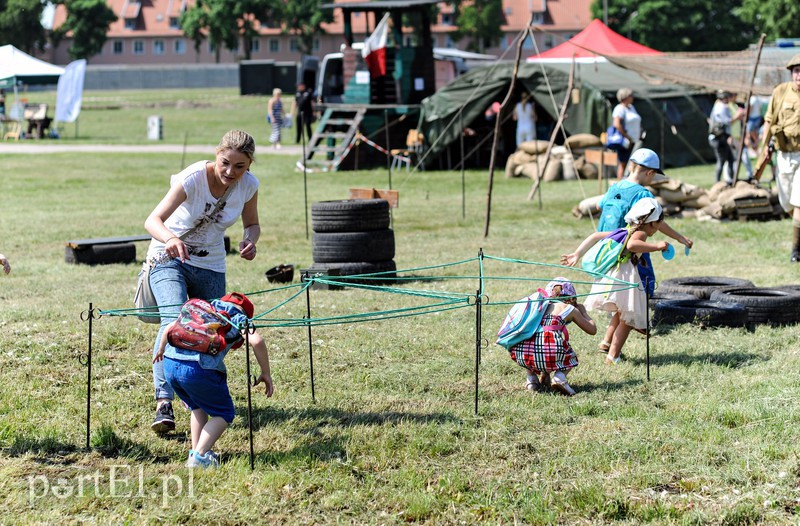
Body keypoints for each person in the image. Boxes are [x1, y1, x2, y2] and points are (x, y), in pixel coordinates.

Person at [144, 129, 261, 434]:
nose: (230, 172)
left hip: (211, 264)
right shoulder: (194, 176)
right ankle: (164, 402)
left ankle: (195, 396)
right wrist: (170, 239)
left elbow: (253, 223)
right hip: (168, 257)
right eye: (225, 163)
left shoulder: (248, 186)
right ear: (216, 154)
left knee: (210, 330)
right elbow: (152, 220)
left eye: (239, 167)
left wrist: (251, 240)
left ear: (249, 166)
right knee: (175, 319)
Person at [567, 148, 692, 353]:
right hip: (630, 254)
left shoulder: (615, 186)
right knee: (638, 295)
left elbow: (600, 205)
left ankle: (607, 342)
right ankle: (632, 329)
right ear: (650, 173)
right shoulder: (643, 194)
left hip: (609, 250)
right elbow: (655, 222)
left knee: (622, 298)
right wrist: (679, 238)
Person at [154, 292, 274, 468]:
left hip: (170, 364)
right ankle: (200, 456)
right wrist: (265, 372)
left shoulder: (203, 309)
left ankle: (195, 451)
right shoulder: (238, 317)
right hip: (198, 369)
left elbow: (171, 326)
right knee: (223, 413)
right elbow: (256, 341)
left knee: (197, 406)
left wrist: (161, 348)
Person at [562, 198, 669, 364]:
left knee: (621, 315)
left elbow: (595, 236)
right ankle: (613, 356)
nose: (659, 227)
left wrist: (577, 253)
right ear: (651, 222)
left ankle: (606, 343)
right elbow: (633, 245)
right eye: (659, 223)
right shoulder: (640, 233)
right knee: (627, 320)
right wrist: (657, 246)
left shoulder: (625, 230)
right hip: (625, 278)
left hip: (614, 276)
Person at [506, 278, 596, 396]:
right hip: (550, 353)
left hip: (522, 354)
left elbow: (539, 336)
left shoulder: (537, 307)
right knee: (569, 355)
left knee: (532, 342)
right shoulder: (570, 309)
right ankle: (560, 377)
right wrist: (583, 312)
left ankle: (531, 380)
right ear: (572, 298)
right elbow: (592, 330)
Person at [762, 53, 800, 262]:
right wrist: (764, 147)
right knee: (787, 204)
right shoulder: (781, 92)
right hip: (783, 156)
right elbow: (769, 121)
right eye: (796, 71)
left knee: (799, 203)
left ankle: (796, 250)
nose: (799, 75)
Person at [708, 90, 744, 183]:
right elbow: (727, 122)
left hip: (722, 137)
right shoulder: (721, 107)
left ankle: (731, 181)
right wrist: (738, 116)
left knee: (730, 159)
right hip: (718, 138)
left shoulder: (719, 106)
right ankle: (718, 182)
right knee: (722, 161)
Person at [609, 88, 642, 179]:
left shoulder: (631, 107)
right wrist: (627, 137)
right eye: (630, 95)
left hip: (635, 140)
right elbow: (616, 124)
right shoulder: (619, 108)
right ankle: (621, 185)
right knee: (624, 163)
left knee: (633, 164)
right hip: (626, 141)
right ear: (625, 97)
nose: (632, 97)